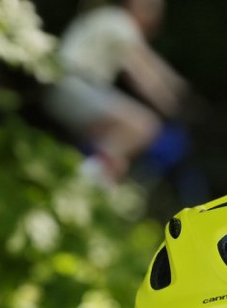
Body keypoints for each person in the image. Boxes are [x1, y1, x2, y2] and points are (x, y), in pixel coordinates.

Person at [45, 0, 190, 184]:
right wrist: (169, 104)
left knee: (116, 146)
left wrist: (176, 83)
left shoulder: (112, 19)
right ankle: (86, 179)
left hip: (65, 86)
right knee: (144, 125)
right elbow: (139, 72)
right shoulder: (123, 25)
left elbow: (151, 61)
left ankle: (91, 173)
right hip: (76, 87)